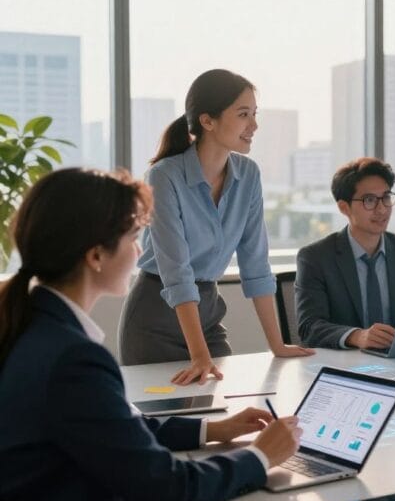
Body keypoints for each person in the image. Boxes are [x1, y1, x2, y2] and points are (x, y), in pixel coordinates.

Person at [0, 168, 302, 501]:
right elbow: (170, 490)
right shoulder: (72, 358)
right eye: (133, 237)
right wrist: (260, 456)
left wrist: (213, 428)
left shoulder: (32, 326)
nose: (140, 250)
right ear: (96, 255)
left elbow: (116, 430)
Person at [118, 69, 312, 385]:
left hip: (207, 313)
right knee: (168, 424)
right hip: (156, 316)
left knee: (224, 409)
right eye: (243, 114)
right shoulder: (165, 176)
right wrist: (199, 355)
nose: (254, 125)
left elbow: (256, 264)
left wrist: (277, 345)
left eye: (254, 114)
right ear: (208, 121)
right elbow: (176, 272)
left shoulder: (248, 174)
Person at [295, 158, 395, 350]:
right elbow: (309, 328)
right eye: (369, 200)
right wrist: (357, 336)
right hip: (343, 367)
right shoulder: (315, 258)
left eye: (386, 197)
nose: (382, 209)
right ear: (344, 207)